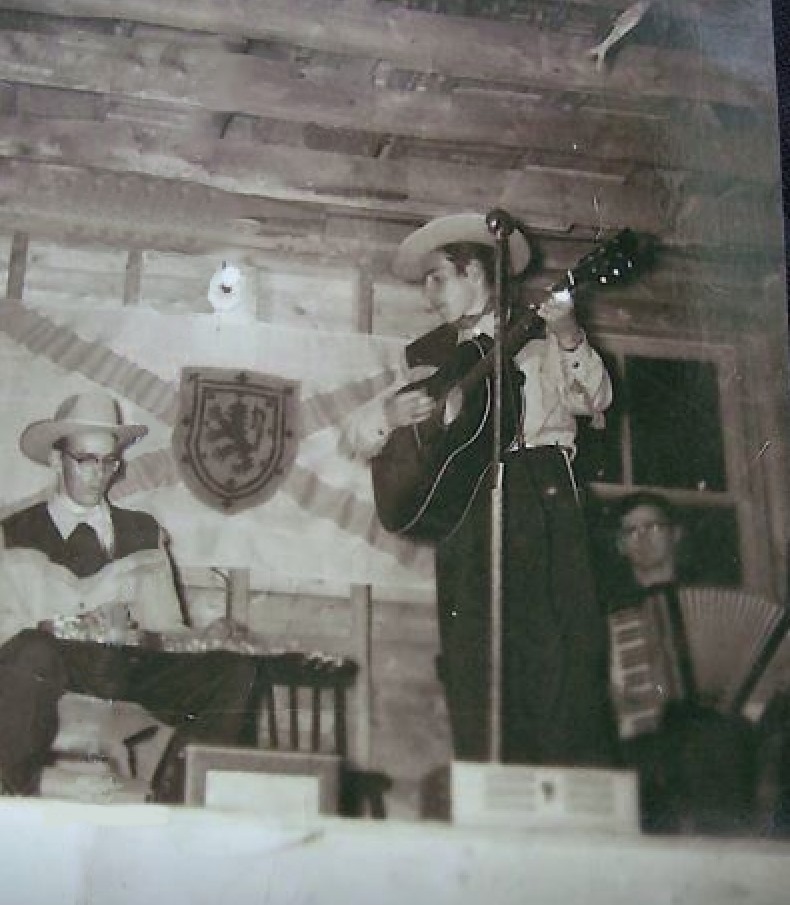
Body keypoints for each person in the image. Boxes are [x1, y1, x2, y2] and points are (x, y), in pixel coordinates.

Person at [341, 213, 616, 767]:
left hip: (540, 496)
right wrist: (390, 415)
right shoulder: (427, 352)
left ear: (475, 272)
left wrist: (568, 334)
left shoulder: (541, 335)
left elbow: (594, 400)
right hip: (466, 506)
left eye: (437, 277)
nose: (428, 295)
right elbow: (358, 436)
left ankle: (560, 785)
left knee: (554, 646)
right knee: (471, 652)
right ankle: (489, 783)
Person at [0, 391, 258, 798]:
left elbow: (165, 628)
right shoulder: (13, 533)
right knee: (31, 651)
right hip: (47, 667)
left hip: (124, 667)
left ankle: (181, 786)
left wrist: (206, 639)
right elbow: (6, 632)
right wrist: (65, 621)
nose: (99, 473)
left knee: (233, 669)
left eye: (109, 461)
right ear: (56, 460)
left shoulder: (143, 532)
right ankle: (22, 782)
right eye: (85, 460)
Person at [609, 491, 758, 834]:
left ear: (675, 534)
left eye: (652, 527)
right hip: (641, 737)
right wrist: (615, 691)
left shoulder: (715, 597)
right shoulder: (611, 610)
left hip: (711, 738)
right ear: (621, 546)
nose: (642, 538)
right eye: (631, 531)